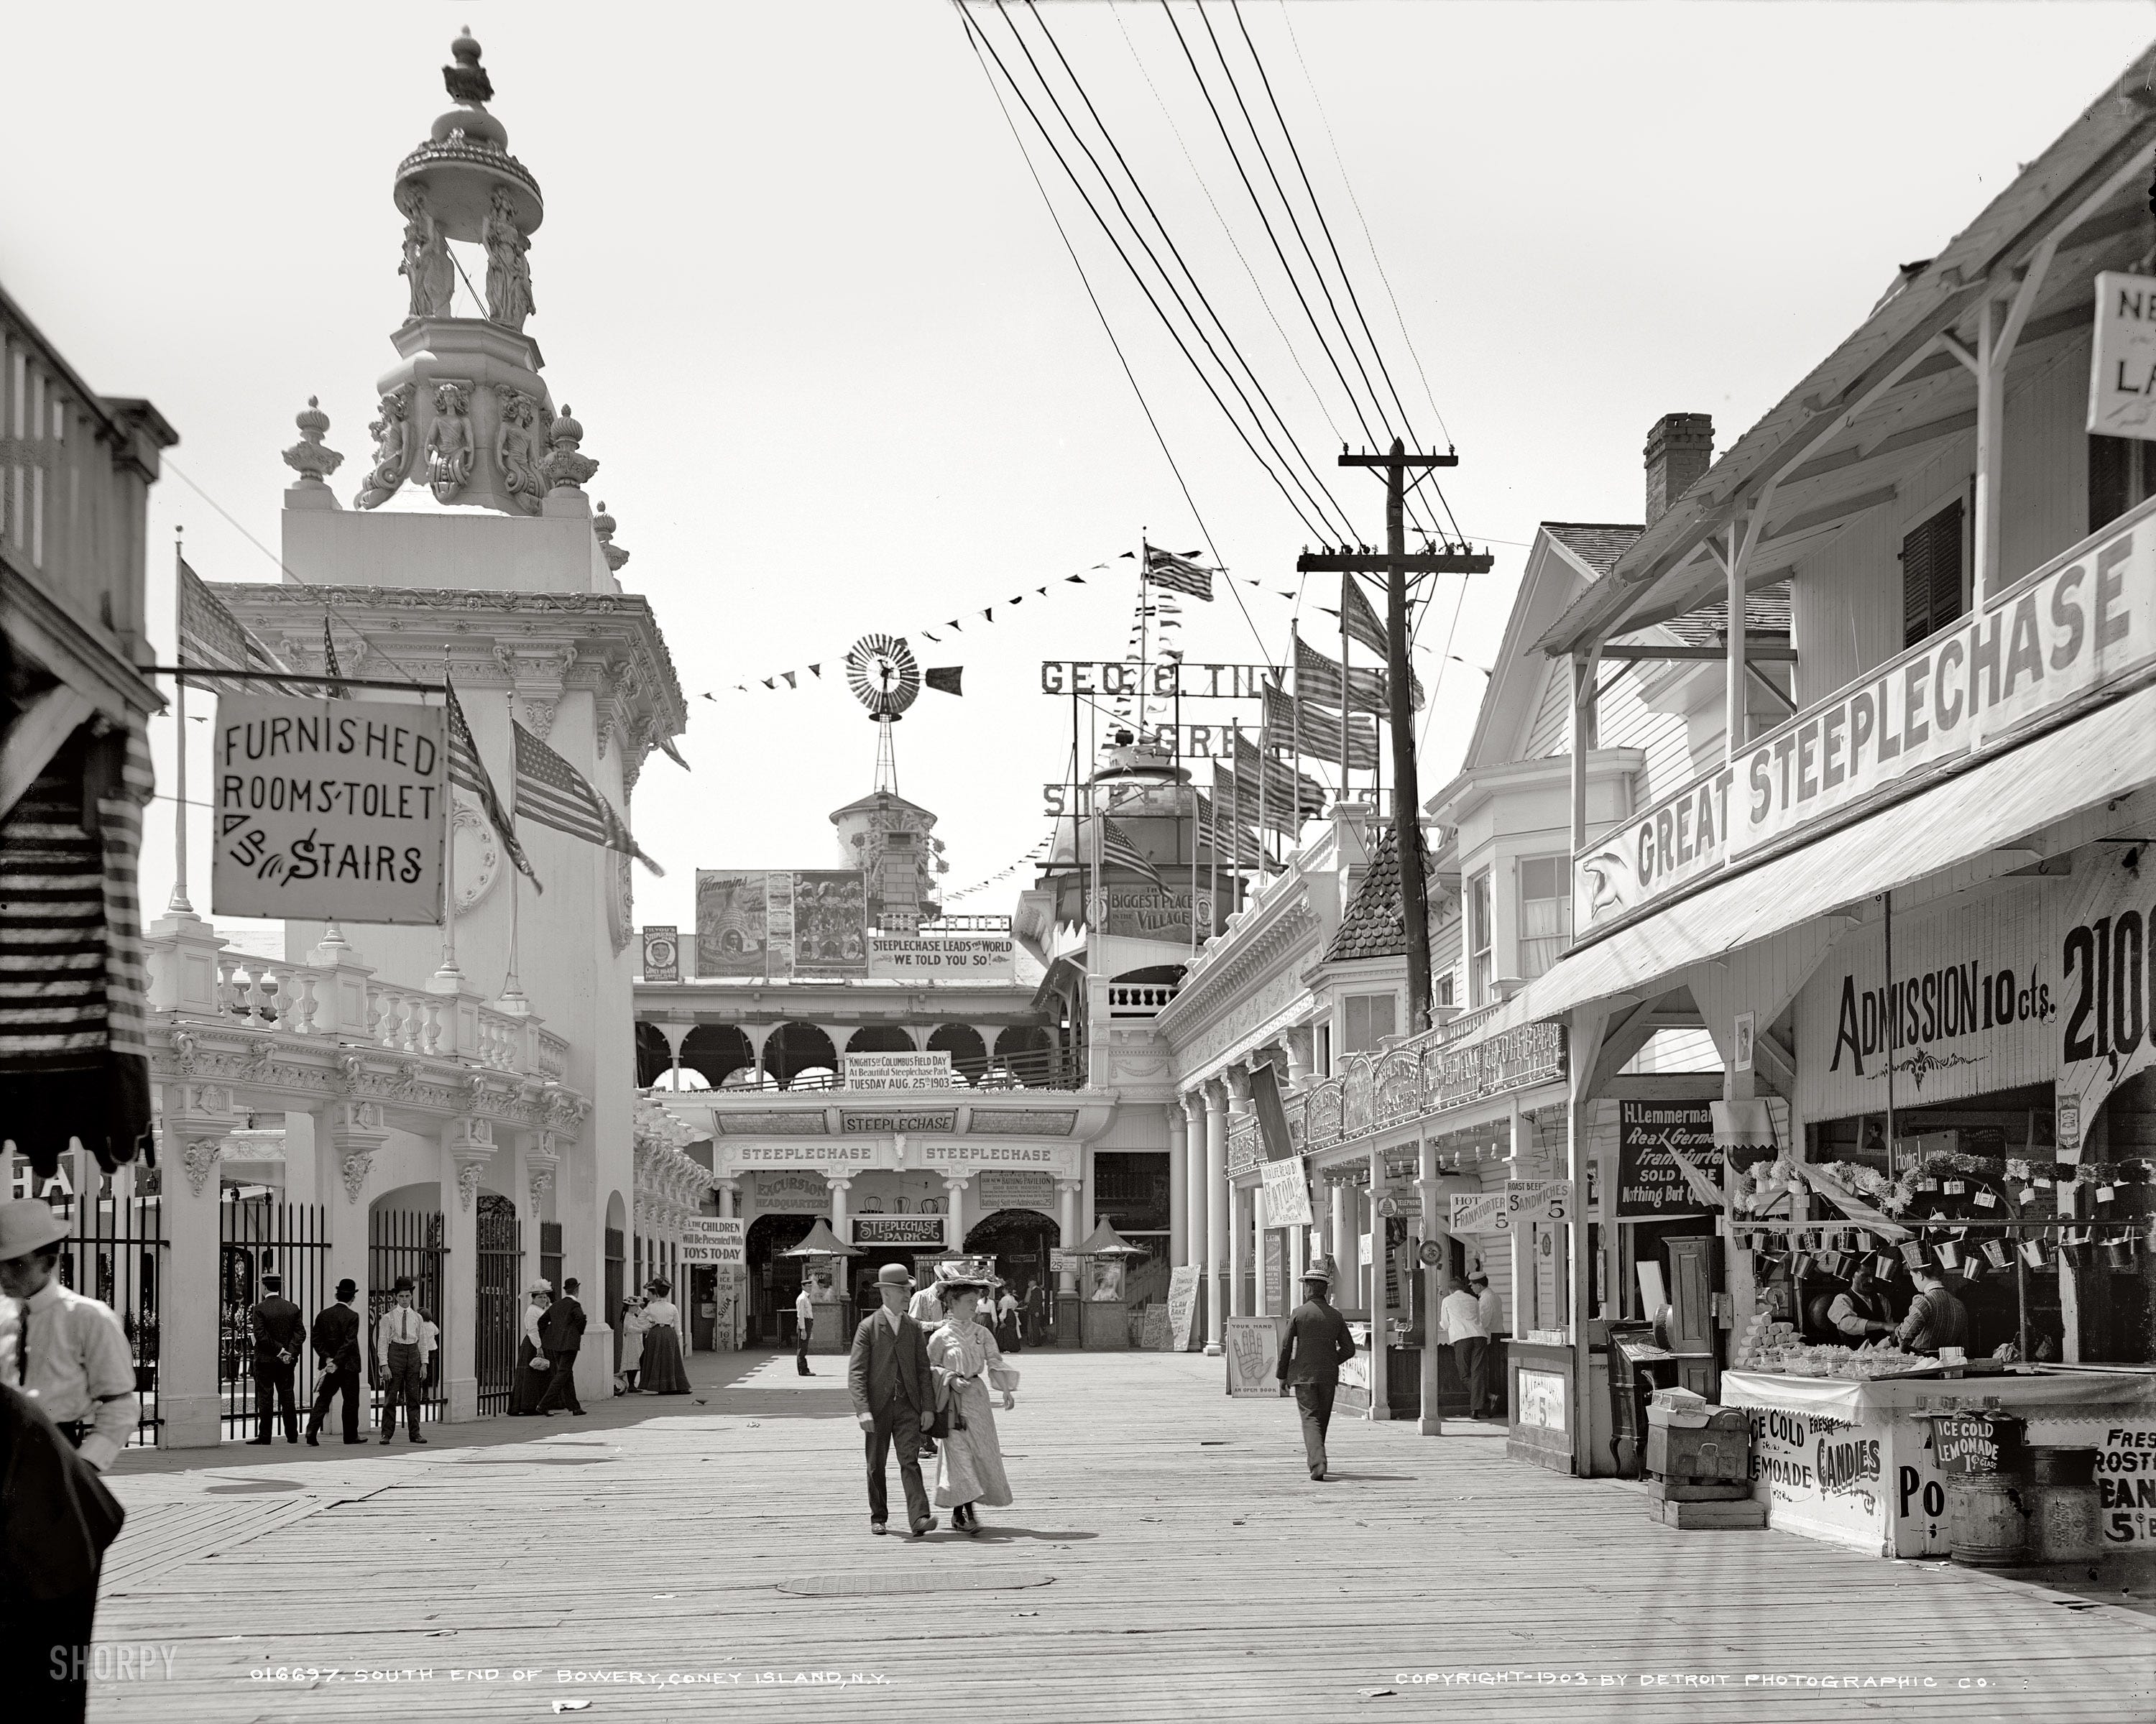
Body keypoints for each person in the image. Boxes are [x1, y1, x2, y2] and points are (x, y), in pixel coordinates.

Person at [1, 1381, 126, 1724]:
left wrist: (87, 1465)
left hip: (52, 1514)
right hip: (33, 1465)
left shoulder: (90, 1324)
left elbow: (121, 1405)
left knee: (44, 1689)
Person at [0, 1199, 135, 1472]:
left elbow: (120, 1404)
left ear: (47, 1262)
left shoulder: (88, 1318)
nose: (4, 1274)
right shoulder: (2, 1316)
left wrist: (84, 1466)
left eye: (17, 1265)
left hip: (56, 1454)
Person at [847, 1263, 936, 1538]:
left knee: (910, 1460)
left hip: (908, 1406)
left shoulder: (912, 1327)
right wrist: (863, 1410)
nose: (908, 1295)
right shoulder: (868, 1328)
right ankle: (879, 1516)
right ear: (886, 1292)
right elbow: (857, 1373)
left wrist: (928, 1407)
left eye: (908, 1290)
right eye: (902, 1290)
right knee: (876, 1464)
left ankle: (920, 1517)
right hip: (878, 1408)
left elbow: (924, 1370)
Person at [928, 1279, 1018, 1534]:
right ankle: (968, 1514)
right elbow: (929, 1367)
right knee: (958, 1455)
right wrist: (949, 1378)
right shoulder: (941, 1337)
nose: (974, 1306)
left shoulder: (982, 1333)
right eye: (969, 1302)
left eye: (975, 1302)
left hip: (977, 1398)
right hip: (952, 1401)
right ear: (952, 1304)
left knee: (980, 1453)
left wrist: (1006, 1389)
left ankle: (959, 1514)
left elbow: (995, 1361)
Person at [1276, 1259, 1356, 1481]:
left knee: (1310, 1419)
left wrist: (1282, 1375)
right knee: (1322, 1419)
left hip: (1304, 1375)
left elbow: (1285, 1346)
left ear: (1309, 1288)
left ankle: (1318, 1462)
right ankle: (1317, 1461)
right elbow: (1349, 1349)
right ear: (1325, 1289)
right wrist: (1332, 1360)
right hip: (1328, 1375)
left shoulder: (1299, 1313)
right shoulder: (1335, 1316)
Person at [245, 1272, 305, 1445]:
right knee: (287, 1396)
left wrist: (279, 1351)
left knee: (265, 1397)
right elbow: (301, 1333)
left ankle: (265, 1436)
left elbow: (260, 1335)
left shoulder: (260, 1308)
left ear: (264, 1287)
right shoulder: (292, 1308)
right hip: (286, 1362)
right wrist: (289, 1352)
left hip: (265, 1360)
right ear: (280, 1287)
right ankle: (292, 1435)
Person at [305, 1278, 365, 1444]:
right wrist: (337, 1361)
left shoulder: (324, 1314)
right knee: (351, 1402)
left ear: (337, 1295)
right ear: (352, 1297)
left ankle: (311, 1430)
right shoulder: (353, 1316)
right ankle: (350, 1435)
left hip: (329, 1366)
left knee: (323, 1399)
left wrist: (328, 1358)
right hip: (349, 1366)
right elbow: (349, 1342)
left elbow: (316, 1339)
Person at [374, 1276, 428, 1444]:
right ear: (396, 1297)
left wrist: (424, 1364)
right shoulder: (388, 1318)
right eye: (401, 1297)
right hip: (395, 1353)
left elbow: (423, 1341)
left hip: (413, 1354)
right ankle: (386, 1434)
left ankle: (415, 1433)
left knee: (413, 1397)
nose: (404, 1300)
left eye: (407, 1296)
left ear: (411, 1296)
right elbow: (382, 1342)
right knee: (391, 1397)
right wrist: (384, 1365)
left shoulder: (417, 1318)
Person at [1437, 1273, 1491, 1421]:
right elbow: (1479, 1319)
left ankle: (1488, 1397)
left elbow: (1445, 1323)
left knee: (1464, 1374)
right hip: (1479, 1336)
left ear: (1450, 1290)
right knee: (1478, 1373)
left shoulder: (1447, 1300)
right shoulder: (1473, 1299)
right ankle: (1475, 1410)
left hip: (1462, 1337)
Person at [535, 1276, 588, 1415]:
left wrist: (549, 1336)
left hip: (556, 1345)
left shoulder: (557, 1305)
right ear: (576, 1290)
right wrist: (576, 1333)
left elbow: (542, 1322)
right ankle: (543, 1404)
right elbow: (581, 1319)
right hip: (569, 1345)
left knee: (566, 1373)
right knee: (563, 1373)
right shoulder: (575, 1305)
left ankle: (575, 1407)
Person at [1895, 1265, 1971, 1356]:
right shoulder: (1959, 1305)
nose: (1913, 1281)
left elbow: (1905, 1334)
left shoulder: (1924, 1301)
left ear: (1920, 1275)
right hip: (1947, 1364)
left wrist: (1898, 1332)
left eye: (1912, 1276)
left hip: (1922, 1365)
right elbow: (1963, 1345)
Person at [638, 1279, 690, 1394]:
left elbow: (640, 1319)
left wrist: (650, 1325)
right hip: (668, 1333)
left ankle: (657, 1385)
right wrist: (678, 1336)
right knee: (670, 1359)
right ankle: (672, 1385)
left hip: (655, 1333)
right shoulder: (672, 1307)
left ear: (656, 1292)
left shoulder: (651, 1307)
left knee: (656, 1358)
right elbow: (677, 1324)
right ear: (667, 1293)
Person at [508, 1280, 550, 1417]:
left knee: (538, 1376)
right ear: (533, 1299)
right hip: (533, 1345)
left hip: (540, 1343)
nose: (543, 1299)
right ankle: (528, 1405)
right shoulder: (532, 1311)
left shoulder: (541, 1310)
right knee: (531, 1376)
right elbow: (533, 1330)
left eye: (544, 1297)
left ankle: (537, 1404)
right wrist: (539, 1347)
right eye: (540, 1297)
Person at [1828, 1258, 1894, 1342]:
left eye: (1873, 1276)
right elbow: (1847, 1324)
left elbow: (1891, 1328)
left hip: (1883, 1353)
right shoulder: (1842, 1299)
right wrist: (1882, 1325)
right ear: (1853, 1275)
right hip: (1854, 1353)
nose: (1871, 1281)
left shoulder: (1881, 1299)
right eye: (1865, 1276)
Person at [618, 1294, 648, 1393]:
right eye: (635, 1306)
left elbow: (642, 1315)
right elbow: (629, 1328)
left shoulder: (633, 1315)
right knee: (632, 1361)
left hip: (635, 1340)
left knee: (636, 1361)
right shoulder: (628, 1316)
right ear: (630, 1307)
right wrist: (642, 1330)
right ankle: (631, 1384)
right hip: (631, 1341)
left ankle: (632, 1384)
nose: (637, 1308)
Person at [795, 1280, 816, 1377]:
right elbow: (800, 1315)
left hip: (808, 1323)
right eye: (808, 1286)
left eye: (811, 1287)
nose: (810, 1288)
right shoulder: (802, 1299)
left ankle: (804, 1369)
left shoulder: (807, 1298)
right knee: (802, 1348)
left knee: (805, 1347)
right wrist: (803, 1330)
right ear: (803, 1287)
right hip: (804, 1323)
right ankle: (803, 1370)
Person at [993, 1283, 1022, 1354]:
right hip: (1011, 1314)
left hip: (1007, 1315)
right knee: (1011, 1331)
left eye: (1004, 1289)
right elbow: (1016, 1304)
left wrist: (1002, 1319)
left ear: (1006, 1290)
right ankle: (1013, 1346)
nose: (1002, 1291)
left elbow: (1004, 1309)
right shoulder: (1012, 1297)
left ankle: (1006, 1347)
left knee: (1006, 1332)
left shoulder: (1005, 1298)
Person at [1023, 1279, 1046, 1346]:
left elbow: (1038, 1302)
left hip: (1035, 1311)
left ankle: (1036, 1342)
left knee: (1035, 1327)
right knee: (1032, 1326)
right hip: (1031, 1311)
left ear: (1034, 1282)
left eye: (1030, 1282)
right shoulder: (1031, 1290)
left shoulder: (1038, 1290)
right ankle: (1033, 1340)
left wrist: (1037, 1311)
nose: (1029, 1284)